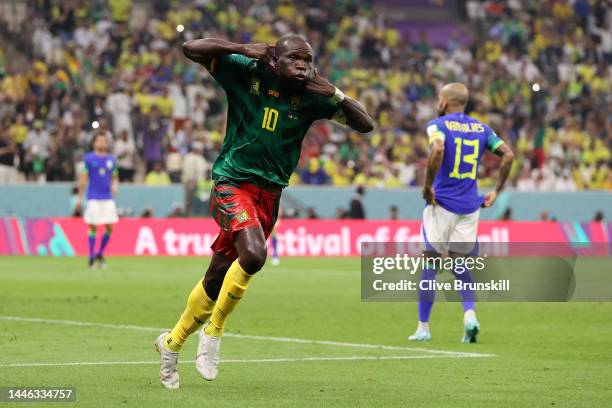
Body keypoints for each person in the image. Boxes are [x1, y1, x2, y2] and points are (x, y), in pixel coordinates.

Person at [154, 33, 375, 389]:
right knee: (255, 255)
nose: (304, 66)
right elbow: (189, 48)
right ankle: (213, 334)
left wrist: (334, 92)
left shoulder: (311, 96)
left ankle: (171, 343)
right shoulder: (246, 71)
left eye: (309, 60)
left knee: (216, 278)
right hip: (232, 182)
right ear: (274, 59)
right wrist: (240, 49)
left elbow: (366, 124)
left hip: (269, 196)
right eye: (295, 59)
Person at [409, 82, 514, 344]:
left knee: (430, 266)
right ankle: (469, 316)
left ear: (445, 101)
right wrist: (497, 191)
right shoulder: (482, 129)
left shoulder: (438, 125)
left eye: (438, 97)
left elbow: (438, 149)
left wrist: (427, 187)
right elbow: (508, 155)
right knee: (461, 265)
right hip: (470, 207)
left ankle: (423, 328)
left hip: (441, 204)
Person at [75, 132, 119, 269]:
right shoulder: (88, 159)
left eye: (103, 141)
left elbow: (114, 176)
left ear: (106, 144)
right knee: (93, 226)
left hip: (107, 197)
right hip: (93, 197)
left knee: (110, 226)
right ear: (94, 143)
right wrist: (79, 197)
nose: (101, 143)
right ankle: (91, 256)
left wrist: (115, 186)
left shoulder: (111, 160)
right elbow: (83, 178)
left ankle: (100, 253)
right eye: (98, 141)